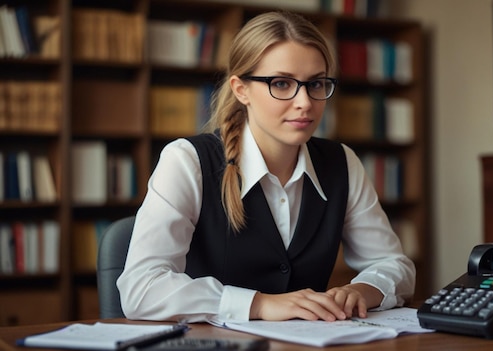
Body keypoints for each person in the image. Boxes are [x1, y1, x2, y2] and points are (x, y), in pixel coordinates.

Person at [117, 10, 416, 324]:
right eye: (282, 83)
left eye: (316, 84)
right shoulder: (187, 161)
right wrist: (259, 305)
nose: (305, 102)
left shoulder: (342, 163)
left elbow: (395, 264)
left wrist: (366, 289)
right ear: (241, 89)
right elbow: (141, 288)